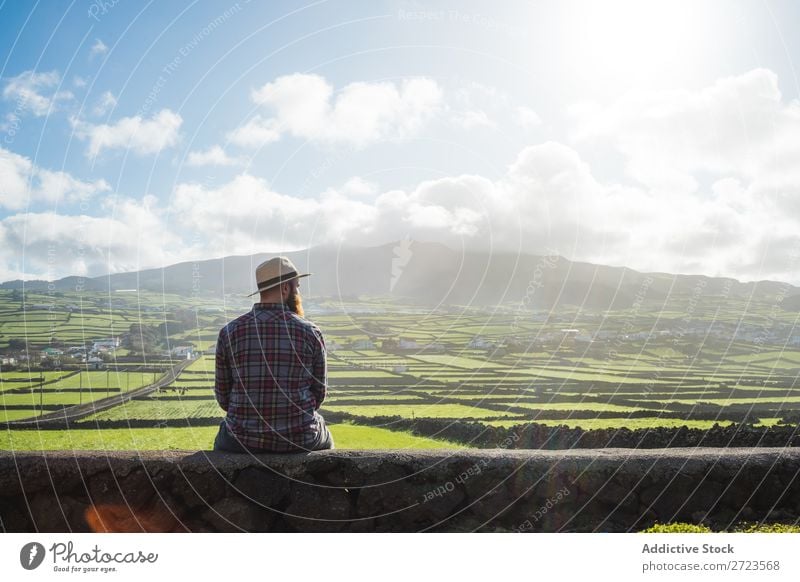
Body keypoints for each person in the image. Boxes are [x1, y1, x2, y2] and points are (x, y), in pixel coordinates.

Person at [212, 256, 333, 453]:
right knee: (328, 444)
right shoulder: (310, 332)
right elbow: (319, 395)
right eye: (297, 286)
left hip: (242, 440)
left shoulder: (229, 332)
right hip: (301, 438)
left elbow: (223, 397)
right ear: (286, 288)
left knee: (221, 440)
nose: (298, 292)